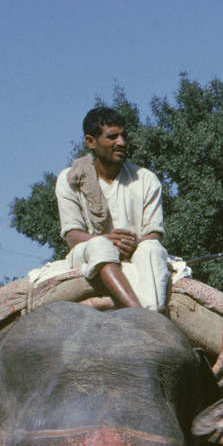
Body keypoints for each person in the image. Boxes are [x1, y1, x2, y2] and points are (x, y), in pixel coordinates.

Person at [56, 106, 172, 311]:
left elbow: (154, 233)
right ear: (91, 141)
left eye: (123, 136)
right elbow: (72, 236)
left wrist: (131, 245)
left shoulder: (145, 179)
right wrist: (108, 241)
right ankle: (140, 314)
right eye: (112, 137)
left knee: (152, 249)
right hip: (89, 254)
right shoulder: (70, 179)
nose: (122, 143)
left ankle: (152, 312)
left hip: (136, 252)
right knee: (101, 246)